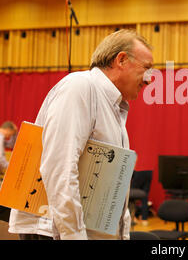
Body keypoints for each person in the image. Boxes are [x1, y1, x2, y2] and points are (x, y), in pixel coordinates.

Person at [8, 29, 154, 240]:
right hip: (56, 233)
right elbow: (60, 168)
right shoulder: (80, 87)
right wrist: (74, 236)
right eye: (146, 68)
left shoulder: (113, 105)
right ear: (121, 60)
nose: (149, 80)